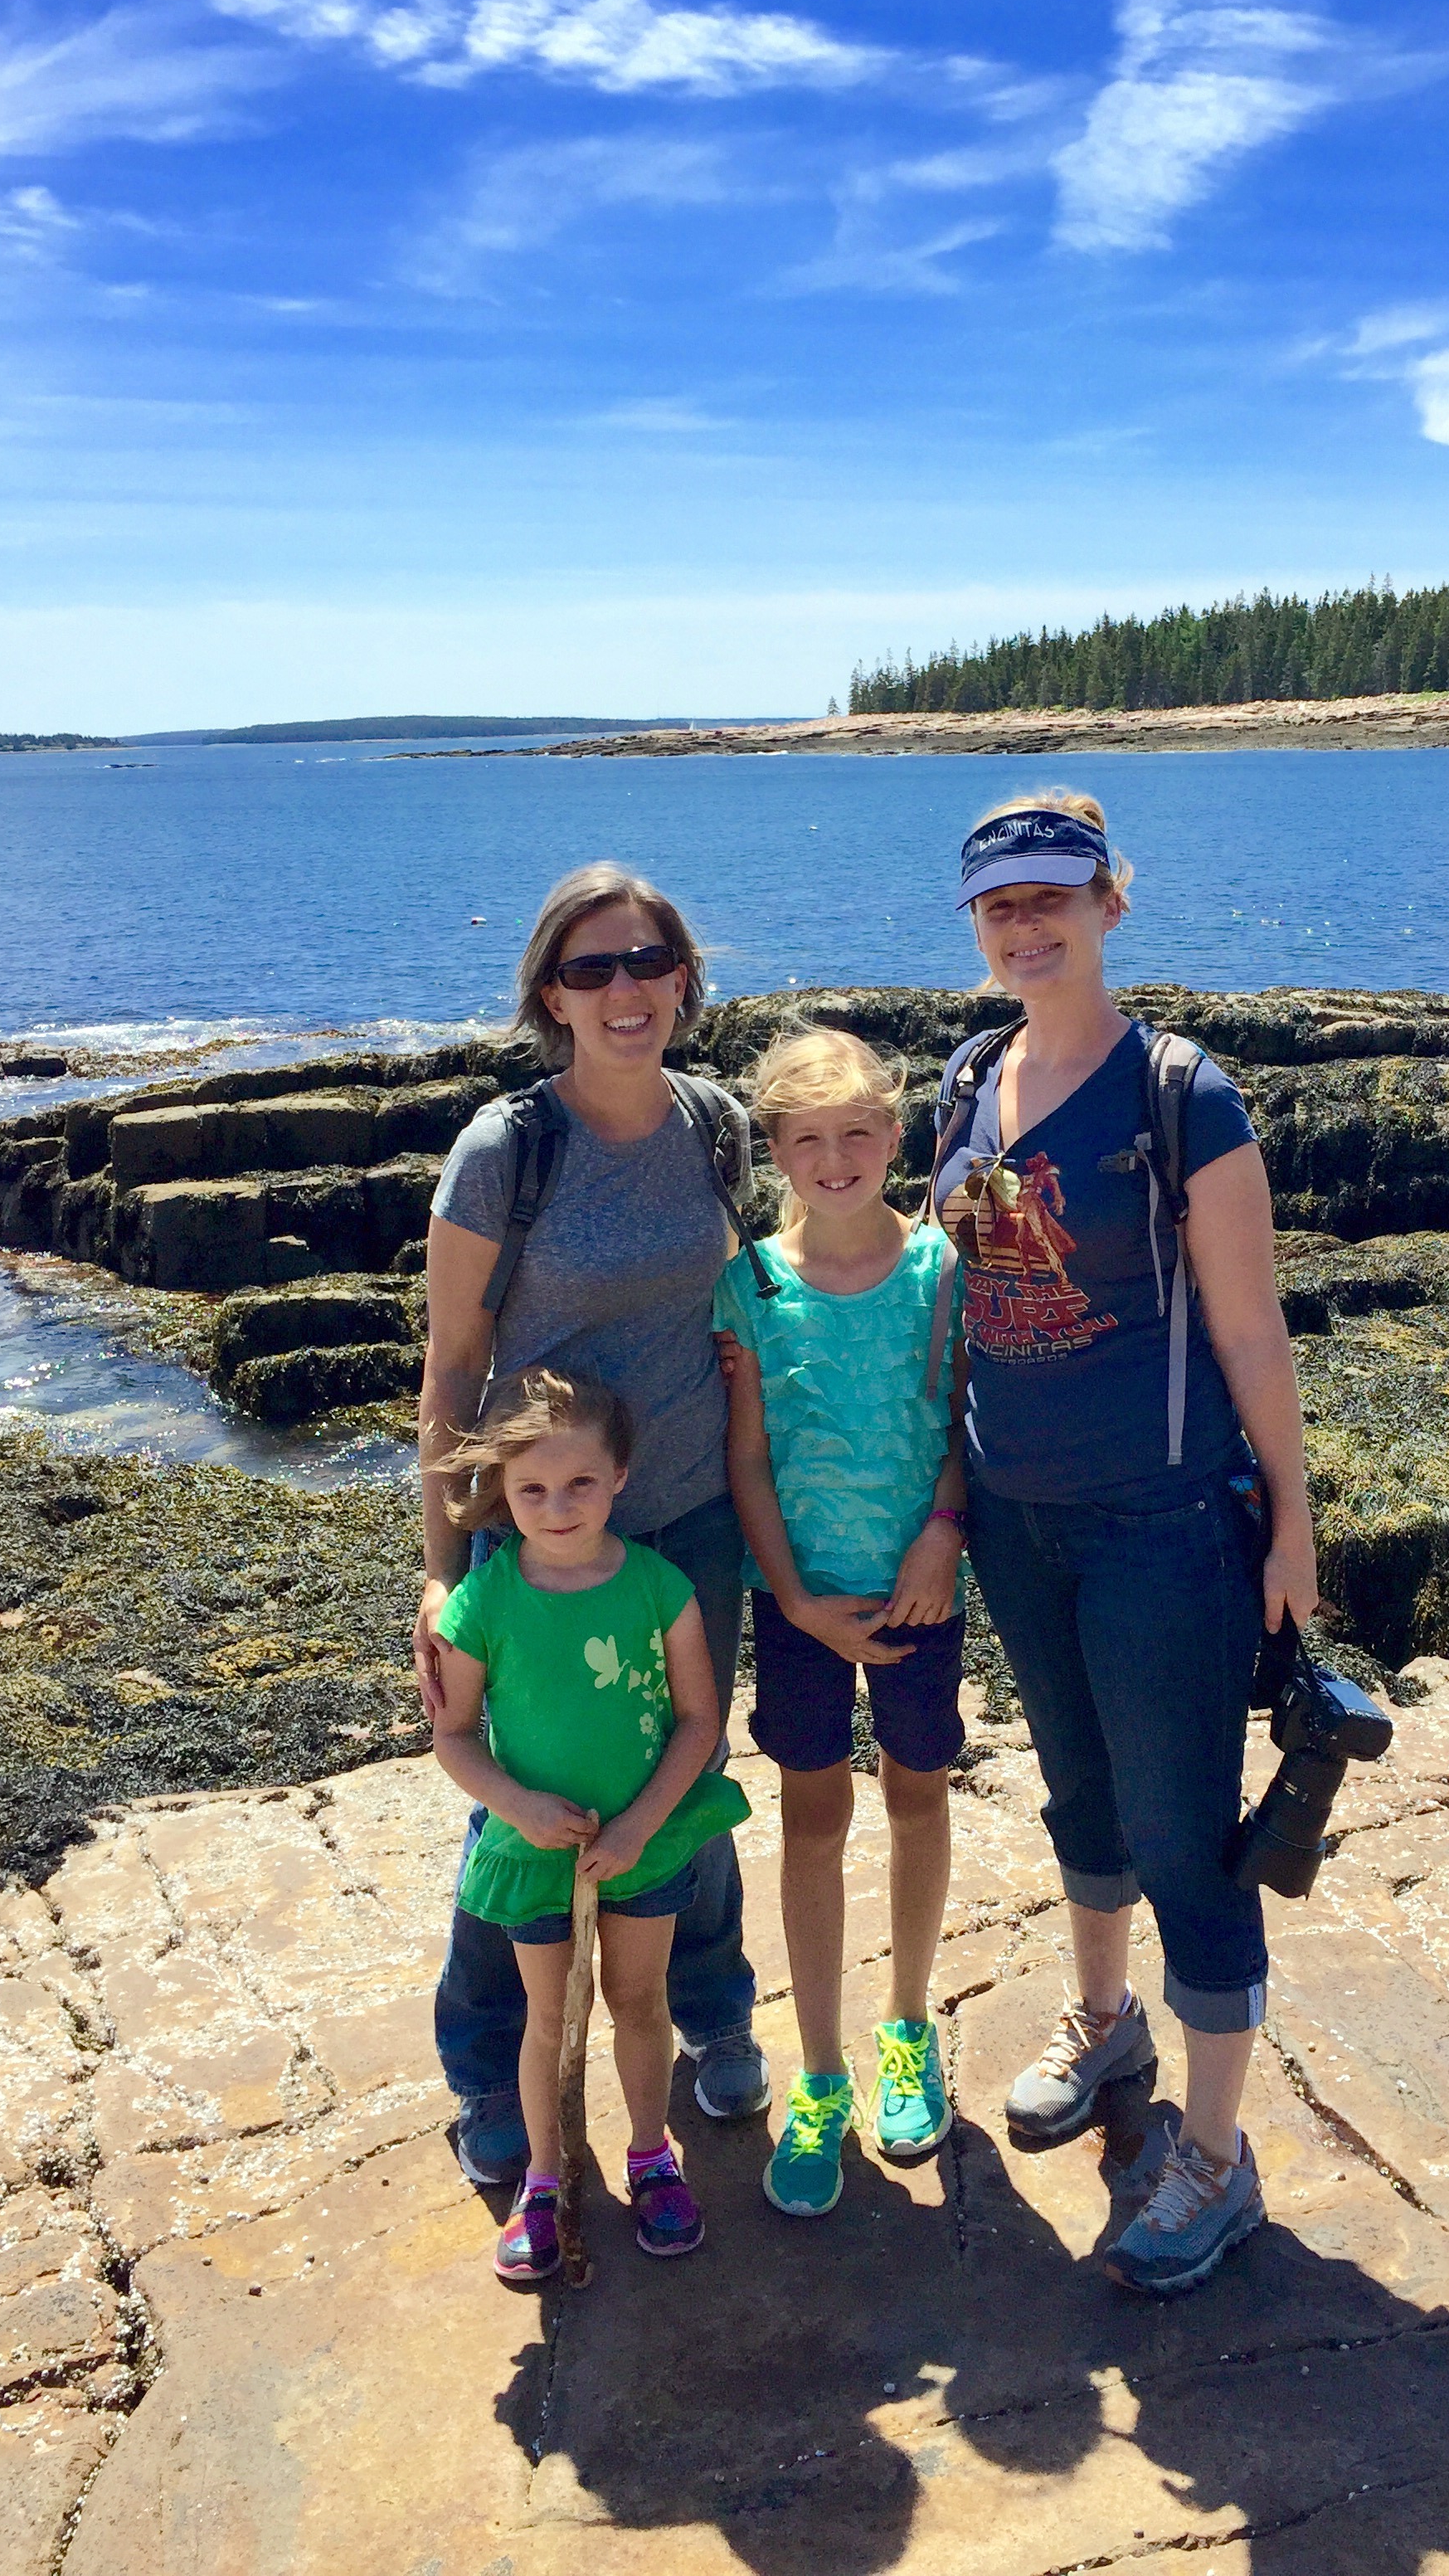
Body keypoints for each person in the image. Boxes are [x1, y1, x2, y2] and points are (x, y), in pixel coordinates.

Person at [931, 789, 1320, 2298]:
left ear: (1109, 903)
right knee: (1078, 1792)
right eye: (999, 907)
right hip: (1014, 1516)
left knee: (1181, 1834)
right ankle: (1107, 2027)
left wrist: (1291, 1522)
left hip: (1162, 1522)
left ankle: (1215, 2159)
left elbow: (1249, 1324)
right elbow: (952, 1299)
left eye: (1051, 897)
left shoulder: (1181, 1093)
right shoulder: (971, 1076)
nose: (1025, 926)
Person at [416, 864, 768, 2189]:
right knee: (518, 1813)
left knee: (690, 1777)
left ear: (685, 980)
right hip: (540, 1538)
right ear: (551, 997)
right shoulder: (507, 1152)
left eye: (648, 962)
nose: (625, 989)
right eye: (591, 968)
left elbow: (748, 1303)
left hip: (688, 1522)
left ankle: (715, 2014)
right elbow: (451, 1372)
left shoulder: (717, 1125)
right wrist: (442, 1575)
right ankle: (488, 2072)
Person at [716, 1029, 968, 2217]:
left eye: (858, 1132)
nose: (835, 1158)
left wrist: (943, 1534)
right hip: (799, 1603)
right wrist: (796, 1599)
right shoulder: (751, 1286)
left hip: (921, 1591)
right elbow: (747, 1462)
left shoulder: (943, 1270)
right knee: (812, 1817)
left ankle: (908, 2028)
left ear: (896, 1134)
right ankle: (820, 2070)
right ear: (774, 1151)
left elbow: (963, 1423)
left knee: (919, 1794)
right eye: (807, 1139)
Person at [430, 1369, 747, 2280]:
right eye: (531, 1489)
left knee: (638, 2002)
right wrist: (519, 1807)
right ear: (502, 1490)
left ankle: (652, 2157)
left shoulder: (660, 1587)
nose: (557, 1507)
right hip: (535, 1855)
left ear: (620, 1478)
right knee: (548, 2016)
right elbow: (453, 1736)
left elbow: (700, 1722)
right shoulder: (481, 1602)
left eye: (580, 1483)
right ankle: (543, 2180)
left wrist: (641, 1825)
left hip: (642, 1847)